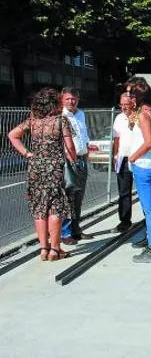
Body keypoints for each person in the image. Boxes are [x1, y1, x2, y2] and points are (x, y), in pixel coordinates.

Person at [7, 88, 76, 261]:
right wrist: (73, 160)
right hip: (54, 168)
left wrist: (27, 153)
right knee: (55, 206)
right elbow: (70, 146)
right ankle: (55, 249)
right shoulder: (61, 120)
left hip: (35, 167)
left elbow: (12, 135)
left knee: (39, 207)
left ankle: (43, 249)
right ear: (55, 103)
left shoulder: (33, 121)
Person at [125, 77, 151, 263]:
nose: (129, 99)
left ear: (137, 98)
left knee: (149, 210)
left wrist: (133, 157)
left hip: (144, 167)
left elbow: (148, 142)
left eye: (131, 95)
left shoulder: (143, 115)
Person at [60, 87, 94, 244]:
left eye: (73, 99)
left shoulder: (81, 114)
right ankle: (65, 233)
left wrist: (86, 156)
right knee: (67, 198)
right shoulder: (60, 116)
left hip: (81, 159)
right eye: (67, 99)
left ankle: (76, 229)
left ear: (78, 100)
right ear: (62, 100)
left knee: (79, 198)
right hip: (68, 161)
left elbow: (84, 137)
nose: (71, 102)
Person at [112, 92, 136, 232]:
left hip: (138, 158)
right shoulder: (119, 118)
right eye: (121, 105)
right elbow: (117, 139)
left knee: (143, 192)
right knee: (124, 192)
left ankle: (148, 220)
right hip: (123, 158)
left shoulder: (139, 116)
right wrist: (115, 155)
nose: (123, 107)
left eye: (126, 105)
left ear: (133, 103)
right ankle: (125, 221)